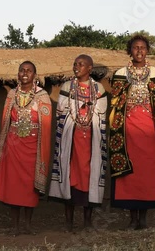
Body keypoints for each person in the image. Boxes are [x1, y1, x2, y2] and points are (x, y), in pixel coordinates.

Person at [109, 34, 155, 230]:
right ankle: (132, 218)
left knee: (147, 172)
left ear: (147, 50)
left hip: (150, 130)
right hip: (126, 131)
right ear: (130, 51)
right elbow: (115, 103)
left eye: (142, 48)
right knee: (129, 174)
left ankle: (143, 218)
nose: (139, 51)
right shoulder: (120, 73)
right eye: (135, 47)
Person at [49, 54, 108, 232]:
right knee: (69, 177)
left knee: (89, 176)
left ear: (90, 68)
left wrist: (86, 114)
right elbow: (61, 112)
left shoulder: (98, 88)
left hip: (91, 142)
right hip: (71, 142)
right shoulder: (68, 86)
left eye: (81, 64)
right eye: (75, 64)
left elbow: (102, 114)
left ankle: (88, 222)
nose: (77, 67)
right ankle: (68, 222)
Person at [0, 61, 52, 236]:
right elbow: (6, 122)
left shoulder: (42, 96)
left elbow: (47, 123)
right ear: (18, 74)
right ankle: (15, 225)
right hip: (13, 147)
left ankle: (27, 224)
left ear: (35, 75)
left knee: (29, 188)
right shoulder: (12, 94)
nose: (25, 73)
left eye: (29, 70)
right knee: (14, 186)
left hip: (32, 148)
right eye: (22, 70)